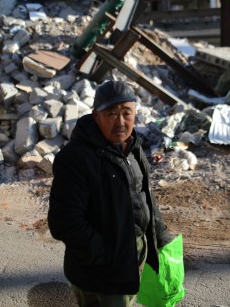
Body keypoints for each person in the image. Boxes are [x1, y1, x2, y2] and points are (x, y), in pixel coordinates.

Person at [48, 80, 174, 307]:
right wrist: (103, 256)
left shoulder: (133, 148)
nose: (121, 122)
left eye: (127, 113)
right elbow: (63, 221)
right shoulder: (75, 158)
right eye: (112, 114)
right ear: (96, 116)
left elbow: (145, 195)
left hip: (132, 259)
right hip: (102, 273)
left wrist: (161, 236)